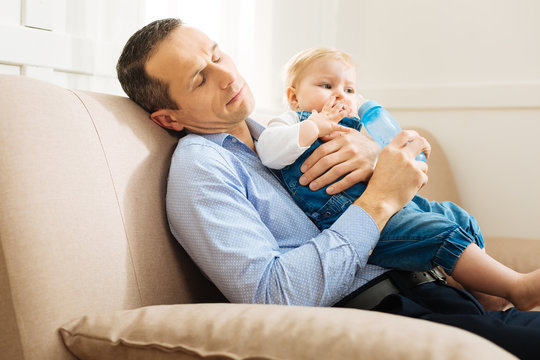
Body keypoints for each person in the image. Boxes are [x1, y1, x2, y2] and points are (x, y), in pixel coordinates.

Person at [116, 18, 540, 359]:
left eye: (217, 54)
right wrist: (379, 201)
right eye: (199, 79)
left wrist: (376, 159)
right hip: (382, 318)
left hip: (434, 287)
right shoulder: (201, 166)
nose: (227, 75)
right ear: (169, 119)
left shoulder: (280, 135)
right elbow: (273, 295)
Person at [255, 46, 540, 311]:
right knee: (436, 232)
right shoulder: (292, 123)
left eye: (350, 89)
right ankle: (516, 287)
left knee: (457, 216)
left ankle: (486, 293)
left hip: (397, 204)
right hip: (354, 218)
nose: (340, 95)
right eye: (327, 86)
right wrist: (314, 125)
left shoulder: (356, 131)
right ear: (294, 97)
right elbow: (269, 152)